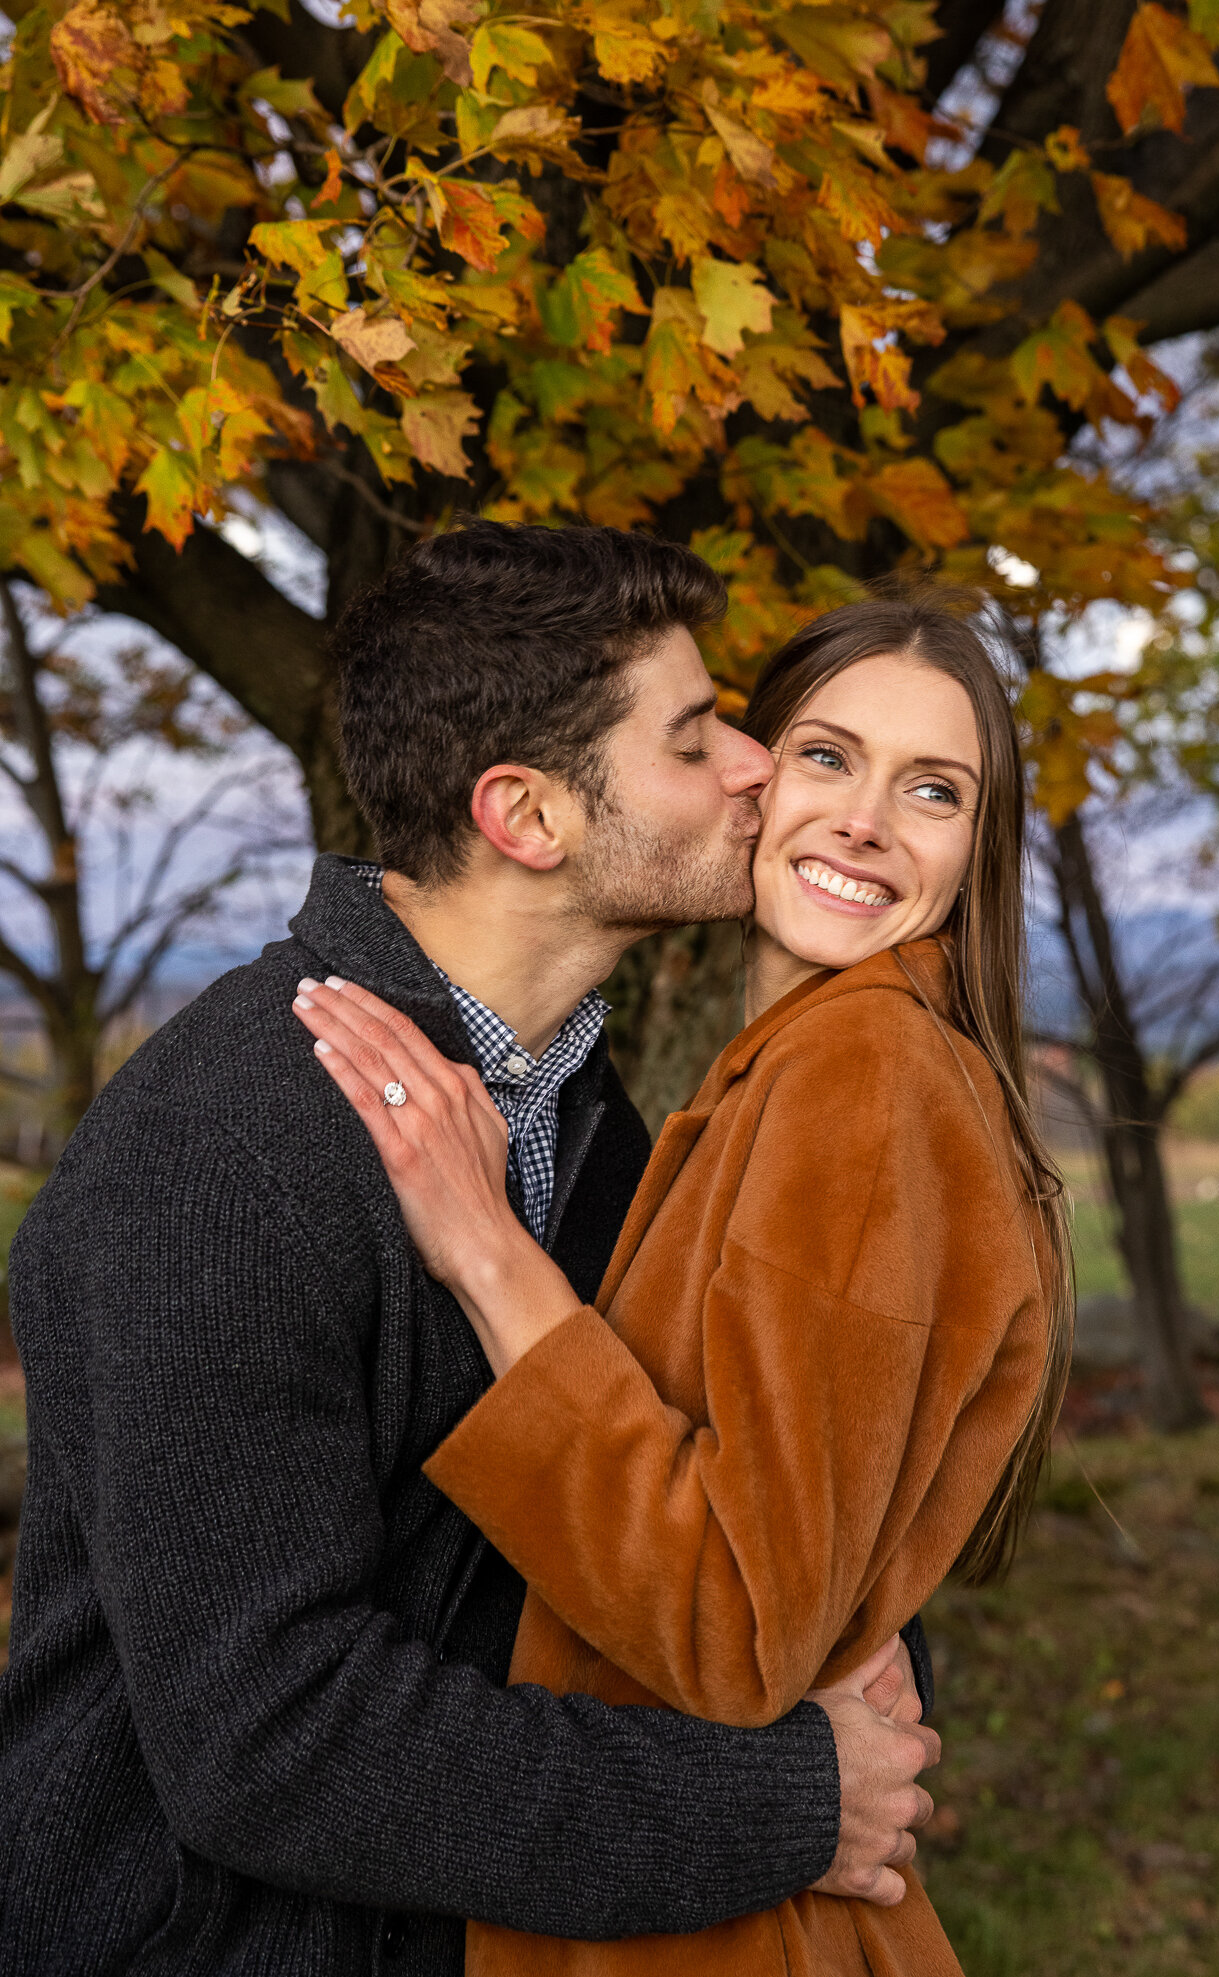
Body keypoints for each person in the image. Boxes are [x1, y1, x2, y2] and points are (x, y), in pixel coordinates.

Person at [0, 525, 939, 1977]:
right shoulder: (223, 1155)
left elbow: (694, 1502)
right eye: (696, 739)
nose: (761, 765)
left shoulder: (592, 1124)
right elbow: (271, 1734)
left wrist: (855, 1657)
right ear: (528, 815)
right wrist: (785, 1796)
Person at [295, 589, 1076, 1977]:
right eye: (829, 757)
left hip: (711, 1927)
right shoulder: (818, 1063)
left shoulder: (861, 1073)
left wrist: (485, 1249)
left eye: (934, 790)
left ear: (976, 847)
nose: (864, 822)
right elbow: (798, 1553)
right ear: (753, 780)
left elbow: (732, 1618)